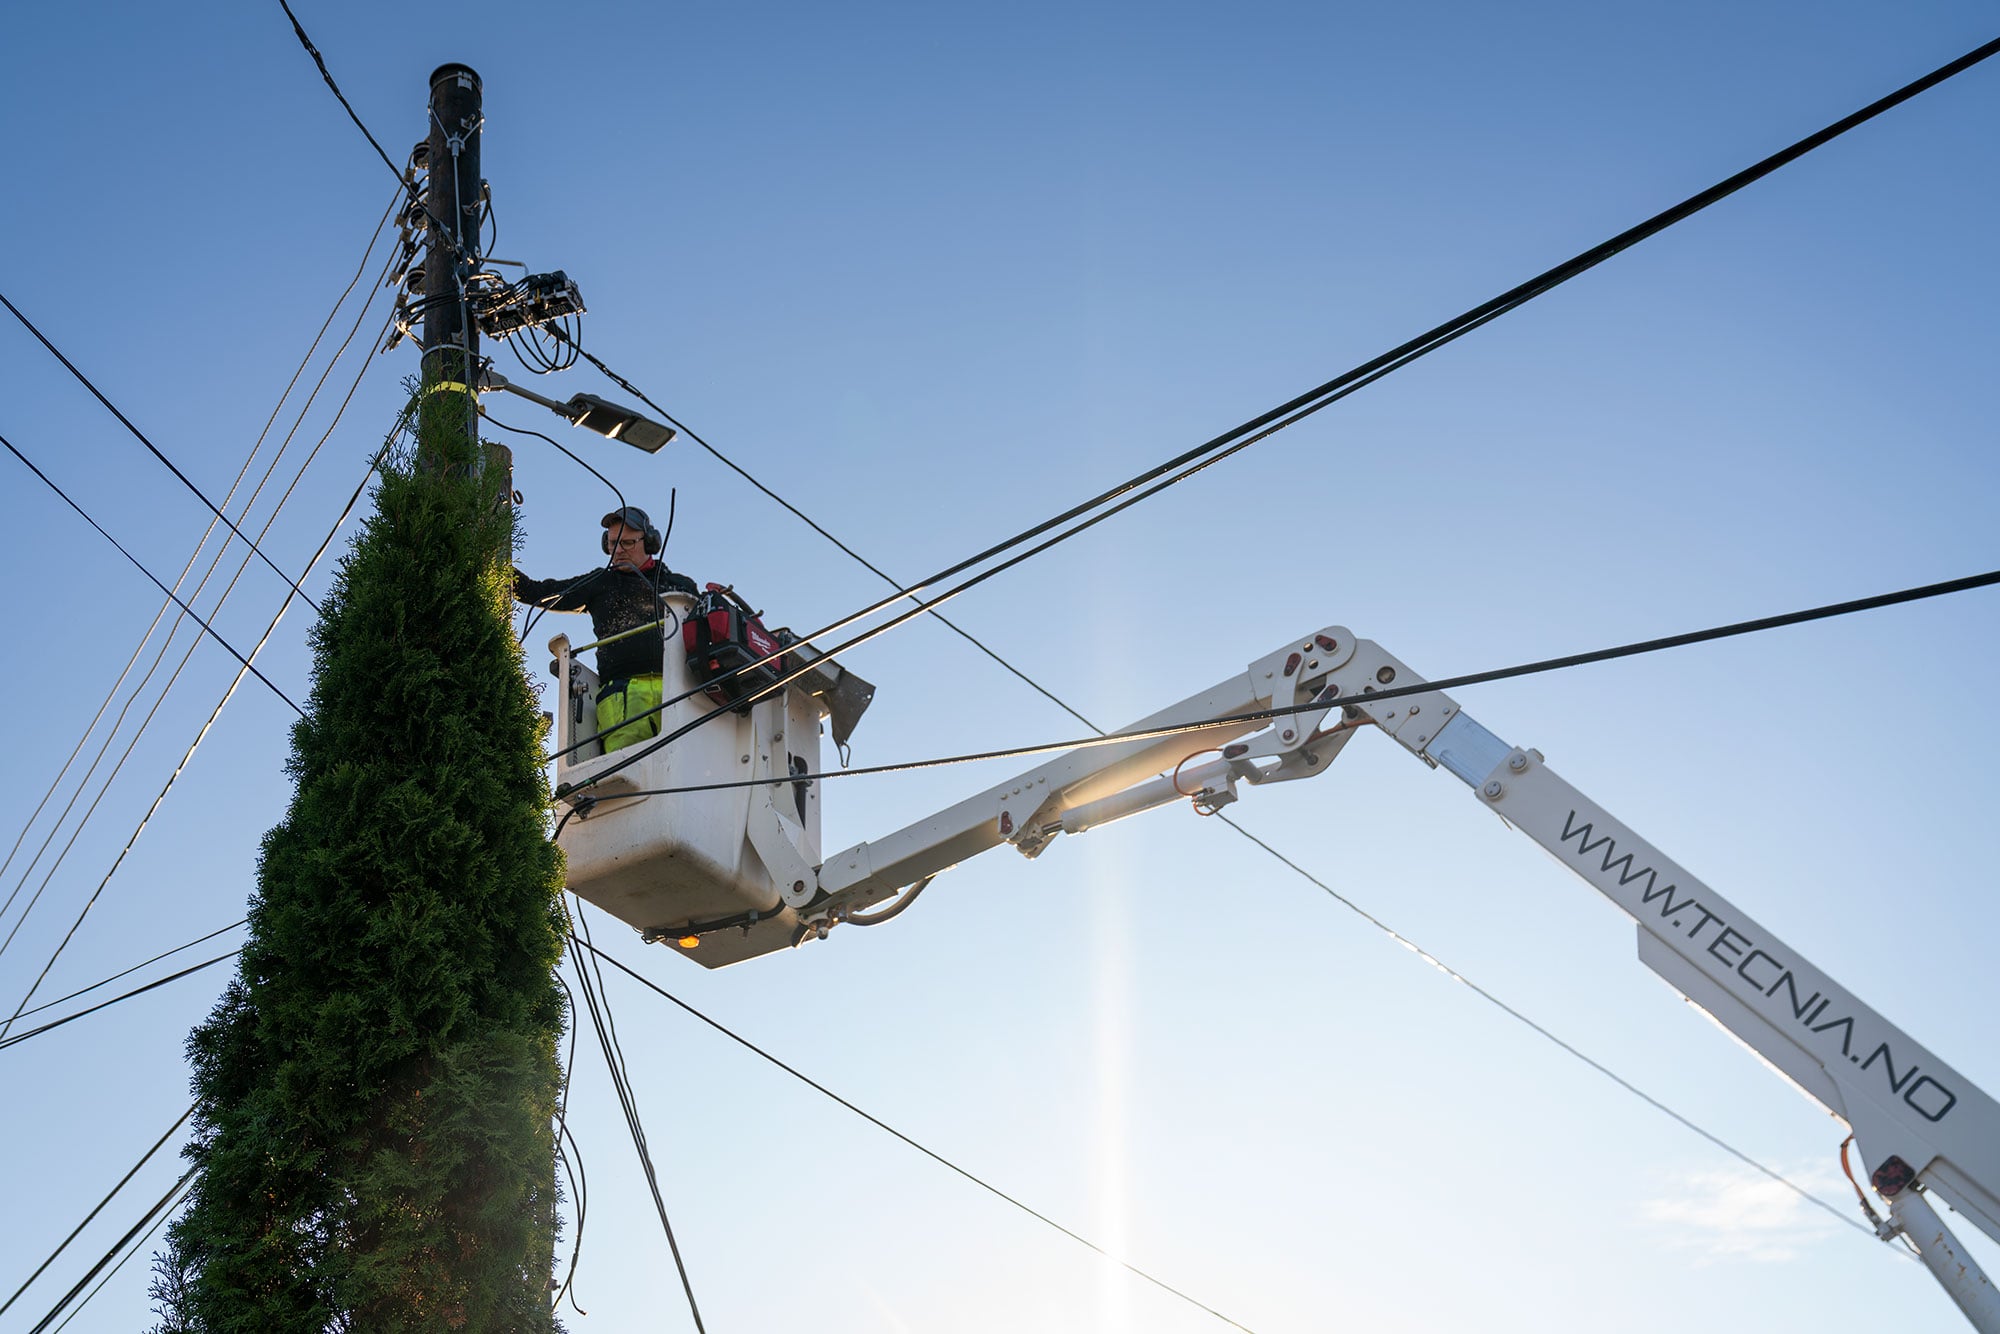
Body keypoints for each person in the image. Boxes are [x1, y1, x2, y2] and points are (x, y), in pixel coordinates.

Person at [514, 506, 697, 754]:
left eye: (628, 542)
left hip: (681, 691)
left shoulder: (680, 586)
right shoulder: (600, 583)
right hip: (622, 698)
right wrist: (500, 569)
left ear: (651, 542)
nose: (618, 551)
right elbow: (539, 593)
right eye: (612, 544)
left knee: (687, 768)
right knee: (628, 780)